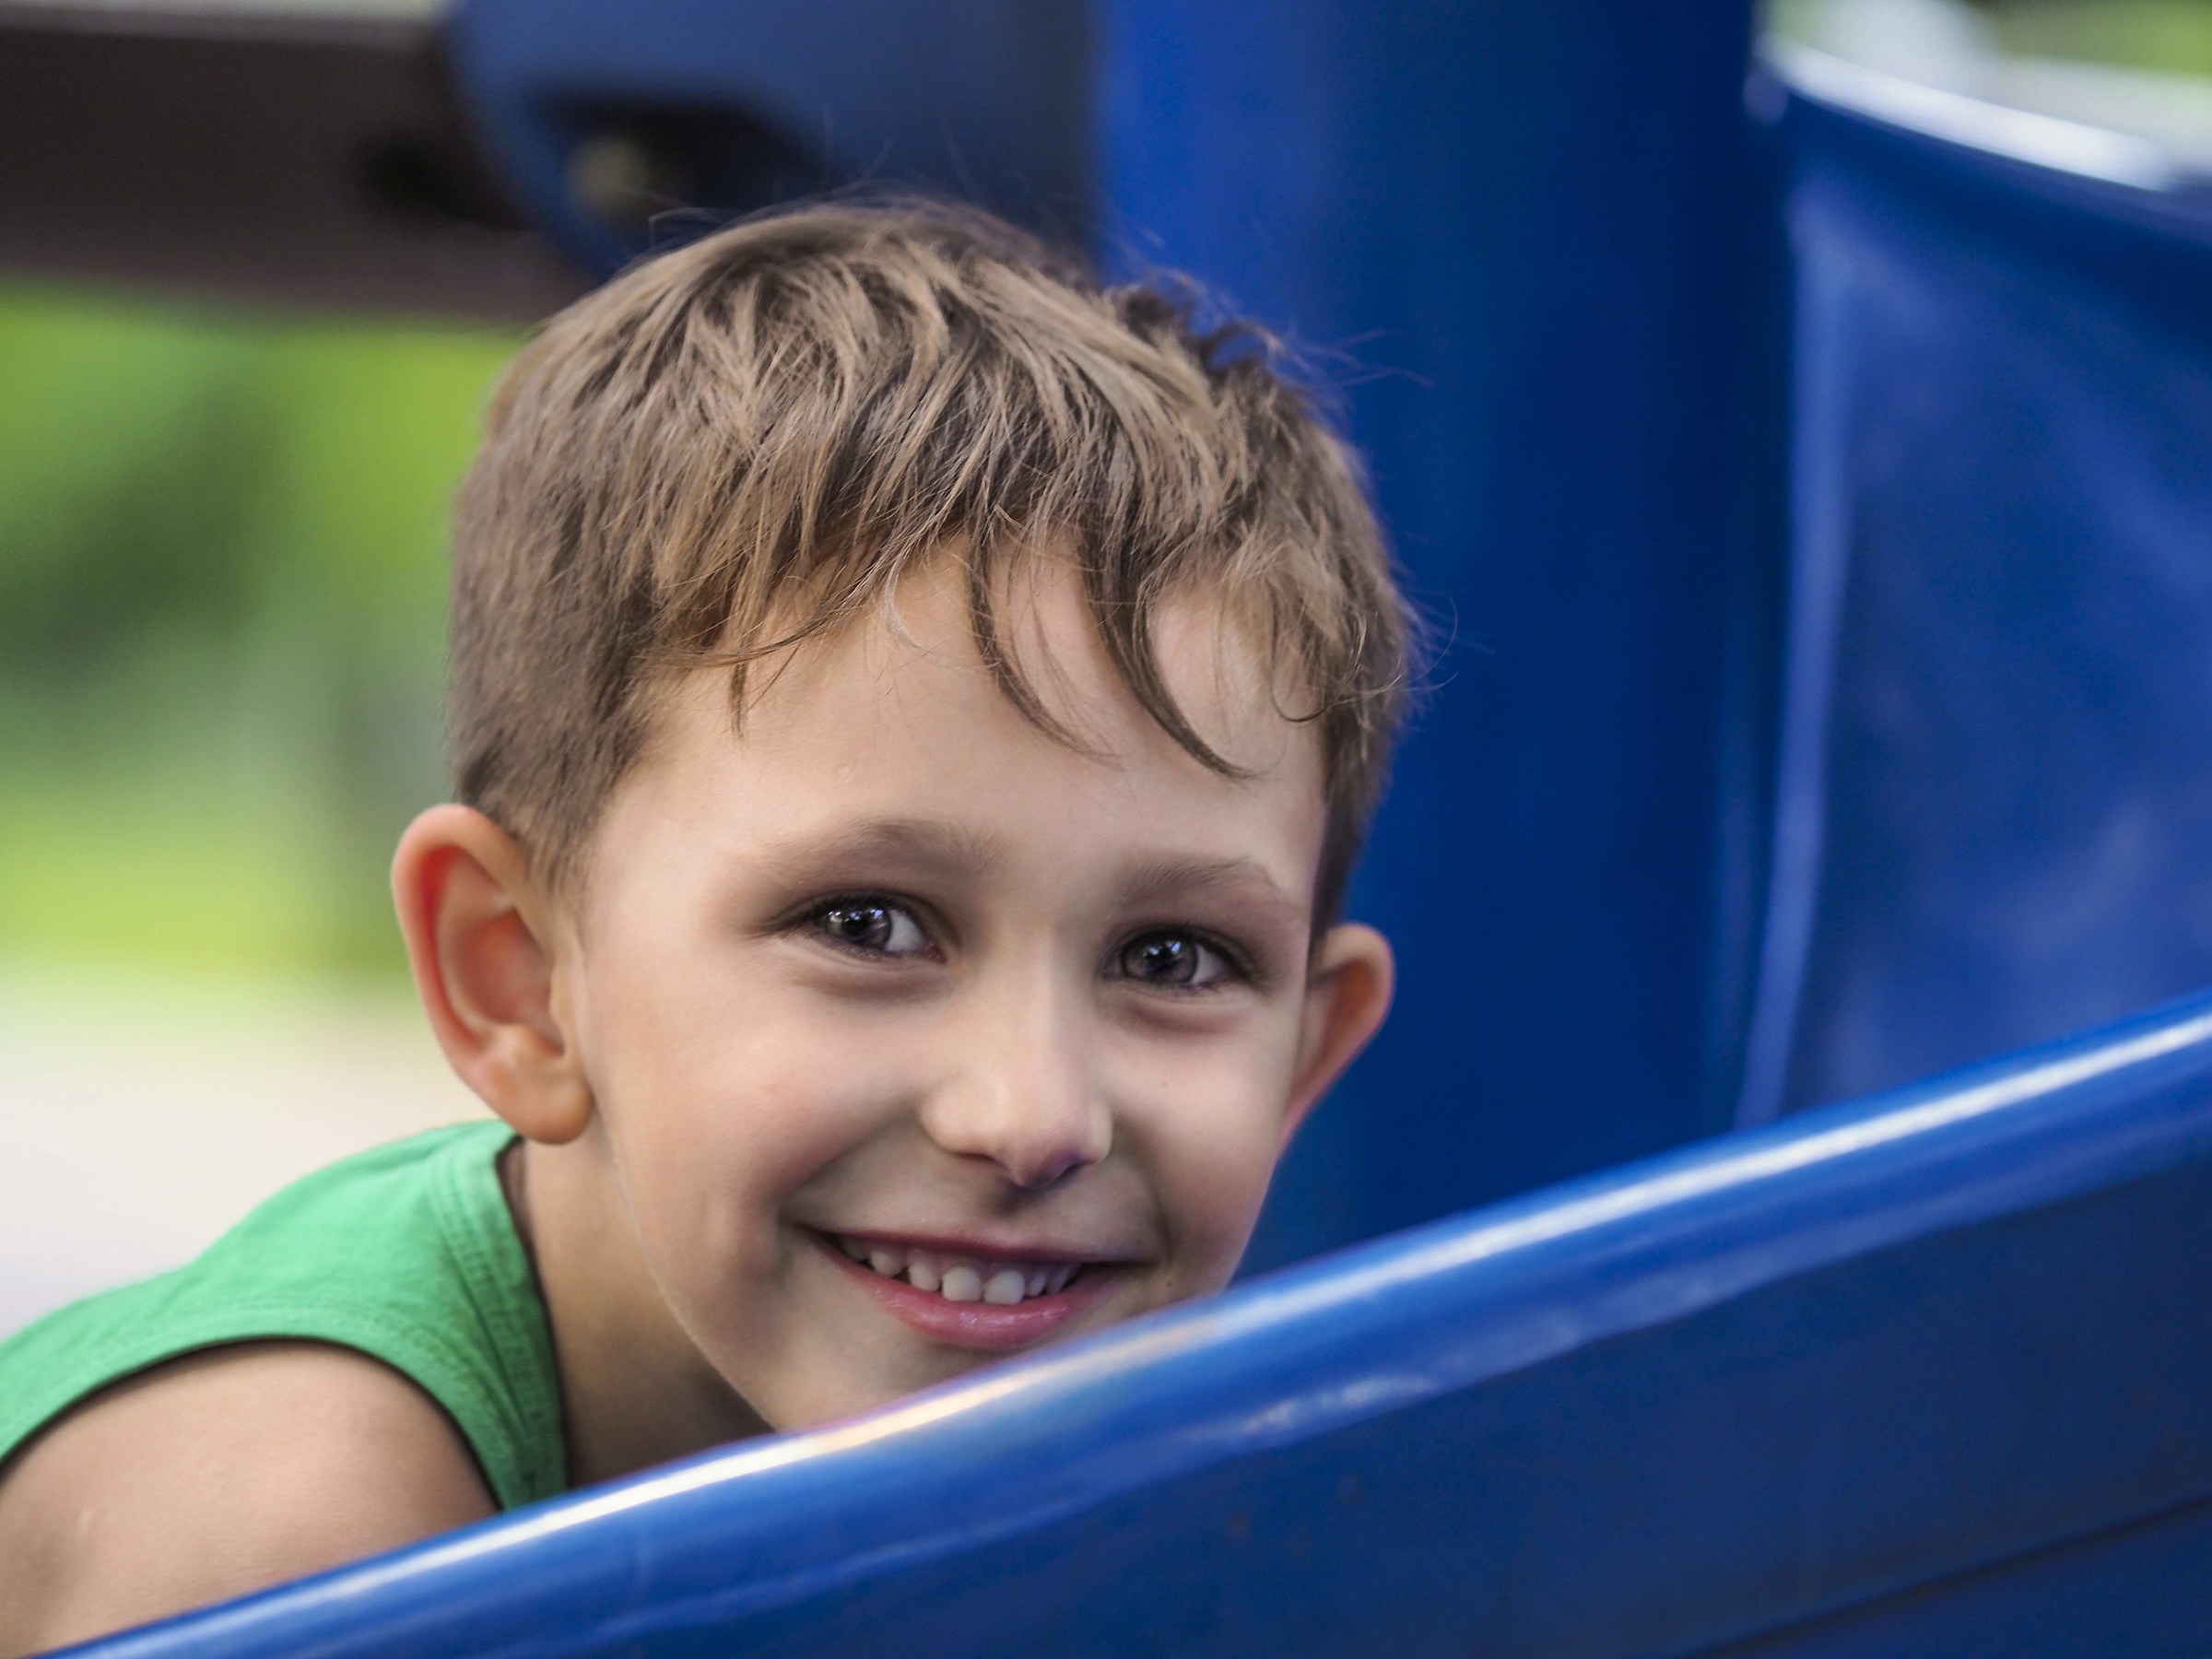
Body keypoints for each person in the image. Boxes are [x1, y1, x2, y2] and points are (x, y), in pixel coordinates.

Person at [0, 199, 1411, 1652]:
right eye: (869, 924)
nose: (1031, 1113)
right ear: (525, 980)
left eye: (1172, 960)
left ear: (1304, 1058)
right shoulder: (295, 1546)